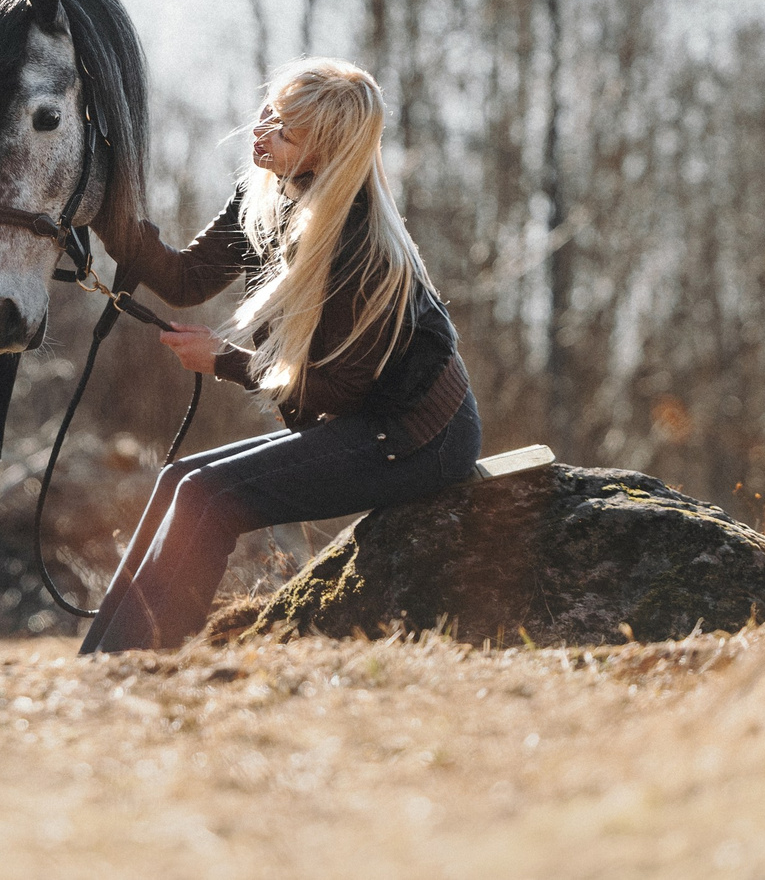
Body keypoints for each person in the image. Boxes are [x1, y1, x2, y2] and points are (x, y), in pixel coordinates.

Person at [80, 57, 479, 655]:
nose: (261, 133)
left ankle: (140, 664)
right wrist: (109, 218)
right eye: (268, 115)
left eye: (284, 132)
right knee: (178, 479)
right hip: (363, 415)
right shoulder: (264, 195)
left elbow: (335, 393)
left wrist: (224, 361)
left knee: (211, 499)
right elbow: (187, 278)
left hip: (418, 436)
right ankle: (100, 662)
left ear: (321, 154)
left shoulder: (362, 248)